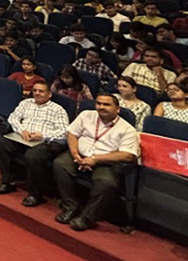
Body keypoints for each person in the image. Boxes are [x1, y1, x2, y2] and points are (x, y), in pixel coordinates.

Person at [53, 93, 139, 231]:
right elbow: (72, 133)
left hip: (105, 160)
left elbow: (128, 155)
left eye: (106, 104)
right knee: (60, 164)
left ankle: (87, 218)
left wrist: (94, 159)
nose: (101, 107)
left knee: (106, 183)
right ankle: (70, 206)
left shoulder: (127, 129)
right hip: (79, 154)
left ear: (117, 109)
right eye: (99, 103)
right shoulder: (86, 115)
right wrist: (75, 153)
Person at [0, 82, 70, 204]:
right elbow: (13, 118)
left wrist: (43, 136)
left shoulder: (58, 110)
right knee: (2, 144)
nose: (37, 93)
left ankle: (35, 194)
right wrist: (22, 131)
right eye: (35, 90)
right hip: (22, 137)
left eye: (41, 91)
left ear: (49, 94)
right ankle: (8, 182)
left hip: (43, 142)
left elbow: (63, 132)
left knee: (32, 156)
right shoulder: (25, 103)